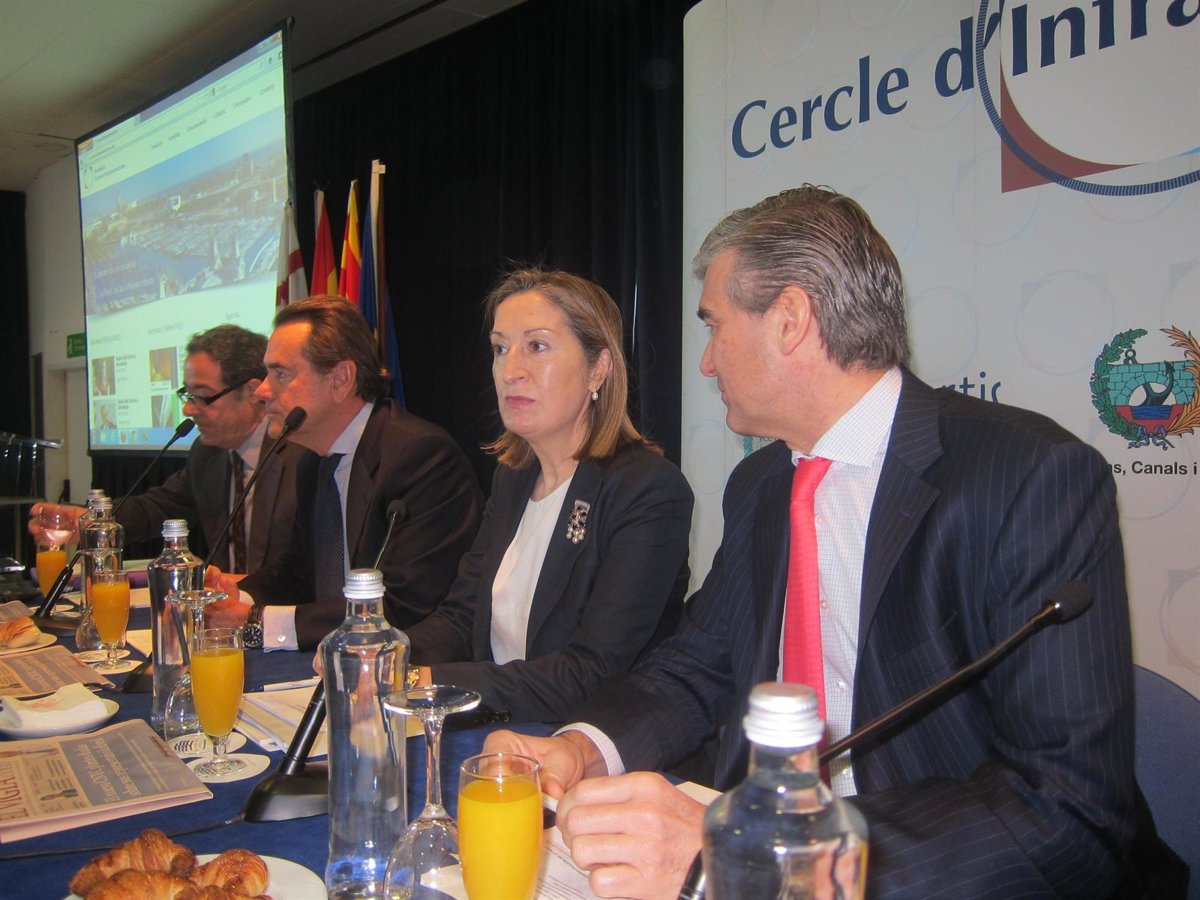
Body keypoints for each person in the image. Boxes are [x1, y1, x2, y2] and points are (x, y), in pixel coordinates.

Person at [485, 187, 1168, 898]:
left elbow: (1066, 813)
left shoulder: (1026, 477)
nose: (707, 363)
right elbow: (695, 667)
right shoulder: (761, 485)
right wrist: (583, 747)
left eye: (714, 327)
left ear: (790, 320)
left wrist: (772, 856)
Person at [403, 269, 693, 724]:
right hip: (498, 730)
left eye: (537, 346)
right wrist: (385, 653)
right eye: (500, 349)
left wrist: (425, 680)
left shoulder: (646, 490)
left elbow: (592, 672)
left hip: (587, 744)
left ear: (598, 368)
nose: (511, 371)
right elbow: (463, 615)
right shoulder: (514, 479)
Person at [209, 296, 484, 650]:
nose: (262, 390)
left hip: (408, 668)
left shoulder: (420, 457)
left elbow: (404, 605)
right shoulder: (314, 460)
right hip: (331, 659)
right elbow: (298, 573)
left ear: (340, 378)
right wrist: (236, 598)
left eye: (280, 374)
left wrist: (256, 622)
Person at [32, 324, 302, 572]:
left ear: (253, 392)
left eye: (203, 396)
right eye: (188, 395)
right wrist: (91, 521)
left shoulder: (301, 454)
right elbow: (157, 508)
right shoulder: (207, 454)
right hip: (227, 605)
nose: (188, 409)